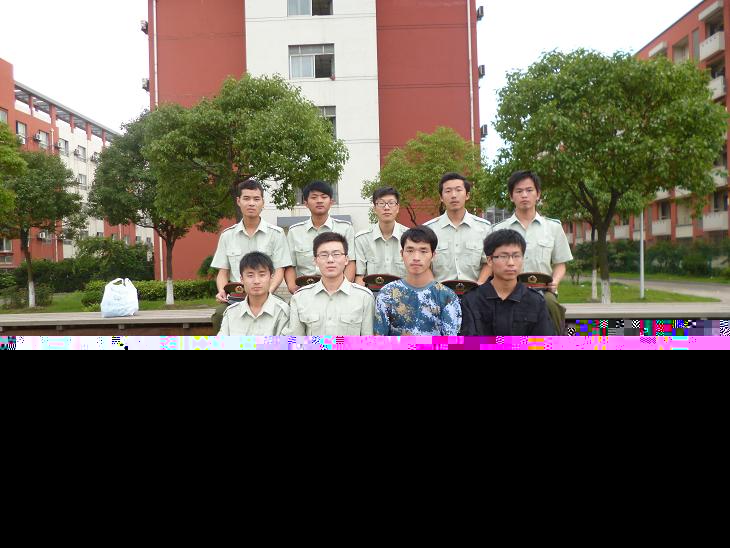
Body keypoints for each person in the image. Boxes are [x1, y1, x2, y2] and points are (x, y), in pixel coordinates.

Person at [491, 171, 573, 334]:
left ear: (538, 194)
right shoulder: (499, 229)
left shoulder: (553, 227)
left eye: (529, 190)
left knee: (551, 306)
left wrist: (555, 282)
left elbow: (560, 264)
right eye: (519, 191)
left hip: (543, 291)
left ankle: (556, 342)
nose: (524, 195)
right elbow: (492, 264)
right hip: (508, 290)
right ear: (511, 196)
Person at [211, 179, 291, 333]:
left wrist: (267, 292)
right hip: (236, 297)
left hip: (267, 294)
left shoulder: (276, 234)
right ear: (238, 201)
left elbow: (279, 269)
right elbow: (223, 271)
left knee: (284, 313)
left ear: (263, 202)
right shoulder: (227, 235)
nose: (251, 203)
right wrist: (221, 290)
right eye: (246, 199)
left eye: (256, 199)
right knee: (219, 314)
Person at [460, 230, 555, 336]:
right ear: (490, 260)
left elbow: (543, 341)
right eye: (503, 256)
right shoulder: (471, 300)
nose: (511, 263)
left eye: (516, 256)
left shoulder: (535, 301)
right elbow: (468, 342)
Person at [374, 226, 462, 336]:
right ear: (402, 254)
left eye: (423, 251)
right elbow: (379, 339)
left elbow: (450, 341)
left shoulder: (447, 296)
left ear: (433, 255)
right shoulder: (387, 293)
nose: (416, 257)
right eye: (410, 250)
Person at [285, 233, 374, 336]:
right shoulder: (300, 298)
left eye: (336, 254)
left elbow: (368, 341)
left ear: (346, 259)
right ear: (315, 260)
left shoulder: (364, 297)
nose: (330, 260)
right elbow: (295, 341)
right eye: (324, 255)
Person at [285, 181, 356, 294]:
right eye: (314, 197)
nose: (319, 201)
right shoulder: (295, 232)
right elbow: (290, 265)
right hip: (305, 290)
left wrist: (342, 289)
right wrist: (293, 288)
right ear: (306, 203)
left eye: (324, 197)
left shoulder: (345, 228)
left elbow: (351, 262)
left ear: (331, 202)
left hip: (337, 289)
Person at [424, 173, 492, 285]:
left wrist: (479, 287)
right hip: (439, 292)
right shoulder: (429, 229)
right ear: (441, 197)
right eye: (448, 191)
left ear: (467, 195)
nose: (453, 195)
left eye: (458, 190)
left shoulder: (484, 228)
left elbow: (489, 262)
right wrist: (436, 289)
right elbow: (424, 265)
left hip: (475, 291)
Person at [218, 252, 290, 336]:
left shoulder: (283, 312)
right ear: (242, 279)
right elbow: (221, 342)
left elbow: (286, 342)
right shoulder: (231, 313)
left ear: (271, 277)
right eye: (250, 275)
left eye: (262, 275)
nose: (256, 281)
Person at [355, 187, 408, 287]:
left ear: (397, 208)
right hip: (372, 293)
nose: (386, 207)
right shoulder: (362, 239)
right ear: (374, 208)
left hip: (403, 293)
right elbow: (360, 276)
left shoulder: (409, 237)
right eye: (381, 203)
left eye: (391, 203)